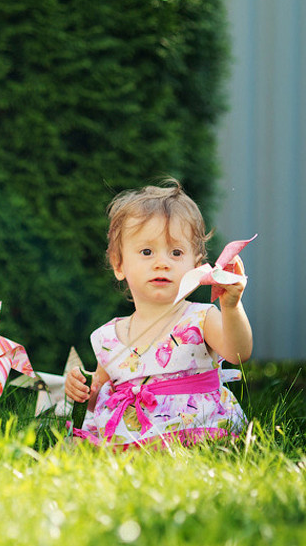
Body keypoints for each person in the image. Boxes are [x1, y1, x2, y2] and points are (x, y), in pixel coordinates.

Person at [64, 179, 252, 449]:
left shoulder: (200, 319)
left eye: (176, 252)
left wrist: (231, 308)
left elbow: (238, 353)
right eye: (147, 251)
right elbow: (100, 394)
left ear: (196, 267)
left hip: (196, 428)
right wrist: (82, 388)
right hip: (133, 434)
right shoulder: (110, 337)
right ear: (119, 265)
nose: (162, 262)